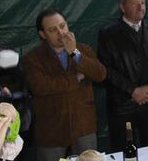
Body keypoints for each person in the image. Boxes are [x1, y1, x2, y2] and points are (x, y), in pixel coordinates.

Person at [23, 9, 107, 161]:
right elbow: (41, 87)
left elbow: (101, 75)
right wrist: (76, 79)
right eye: (52, 30)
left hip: (83, 125)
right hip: (51, 130)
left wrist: (74, 53)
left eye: (62, 26)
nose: (61, 33)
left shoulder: (83, 50)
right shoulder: (32, 58)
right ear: (42, 34)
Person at [97, 0, 148, 151]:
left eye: (143, 3)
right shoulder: (108, 34)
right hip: (122, 105)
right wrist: (132, 90)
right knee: (124, 149)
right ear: (122, 7)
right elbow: (105, 70)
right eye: (135, 3)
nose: (141, 7)